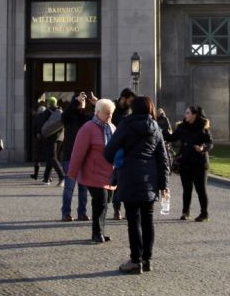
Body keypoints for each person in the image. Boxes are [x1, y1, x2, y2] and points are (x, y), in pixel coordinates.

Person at [103, 95, 169, 274]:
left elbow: (109, 151)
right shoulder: (155, 126)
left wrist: (119, 157)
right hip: (150, 179)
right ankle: (147, 260)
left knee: (133, 221)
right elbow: (162, 158)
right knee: (148, 220)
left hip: (129, 176)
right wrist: (164, 184)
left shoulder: (125, 124)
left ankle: (135, 260)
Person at [68, 98, 117, 243]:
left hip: (109, 172)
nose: (109, 116)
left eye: (111, 114)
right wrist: (72, 173)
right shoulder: (88, 128)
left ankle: (100, 231)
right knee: (100, 201)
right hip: (93, 172)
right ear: (98, 112)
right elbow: (78, 152)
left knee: (106, 202)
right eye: (107, 113)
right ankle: (97, 233)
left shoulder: (112, 127)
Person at [166, 105, 213, 221]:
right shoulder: (182, 127)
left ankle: (204, 213)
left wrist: (203, 148)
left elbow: (210, 143)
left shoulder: (203, 128)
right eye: (185, 113)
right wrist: (164, 131)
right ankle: (185, 212)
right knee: (186, 189)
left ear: (194, 115)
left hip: (200, 163)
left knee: (200, 189)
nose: (185, 115)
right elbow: (172, 138)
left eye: (187, 113)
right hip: (185, 162)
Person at [59, 91, 92, 221]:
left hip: (84, 156)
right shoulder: (68, 117)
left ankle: (82, 213)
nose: (82, 102)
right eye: (80, 100)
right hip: (70, 156)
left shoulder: (86, 117)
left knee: (83, 188)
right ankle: (66, 213)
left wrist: (94, 103)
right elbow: (66, 114)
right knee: (69, 187)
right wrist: (75, 101)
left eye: (83, 101)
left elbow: (99, 116)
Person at [110, 88, 135, 219]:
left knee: (126, 181)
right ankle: (116, 209)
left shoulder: (129, 111)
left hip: (127, 149)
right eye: (129, 100)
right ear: (123, 98)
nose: (130, 103)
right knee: (117, 180)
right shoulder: (113, 108)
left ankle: (125, 209)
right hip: (115, 148)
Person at [41, 96, 64, 186]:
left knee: (52, 157)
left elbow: (43, 123)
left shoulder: (47, 112)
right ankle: (46, 178)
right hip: (60, 138)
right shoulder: (60, 112)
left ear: (49, 104)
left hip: (52, 138)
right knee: (51, 157)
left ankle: (62, 176)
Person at [29, 99, 48, 180]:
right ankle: (48, 176)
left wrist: (34, 136)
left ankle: (36, 175)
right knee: (48, 158)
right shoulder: (48, 118)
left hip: (38, 138)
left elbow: (33, 128)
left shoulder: (36, 118)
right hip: (47, 139)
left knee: (37, 159)